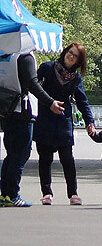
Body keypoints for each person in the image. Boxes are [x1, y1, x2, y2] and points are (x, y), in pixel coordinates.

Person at [33, 42, 96, 205]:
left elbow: (82, 100)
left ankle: (73, 194)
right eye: (69, 52)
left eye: (75, 56)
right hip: (45, 118)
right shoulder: (47, 68)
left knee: (67, 158)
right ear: (64, 52)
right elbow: (34, 89)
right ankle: (46, 193)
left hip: (63, 120)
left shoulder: (75, 78)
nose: (71, 56)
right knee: (45, 158)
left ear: (78, 61)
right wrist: (49, 104)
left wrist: (90, 121)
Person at [0, 48, 59, 207]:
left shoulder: (5, 55)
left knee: (11, 154)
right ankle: (12, 194)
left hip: (7, 109)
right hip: (23, 110)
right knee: (20, 154)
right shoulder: (25, 56)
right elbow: (32, 83)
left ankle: (5, 193)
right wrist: (50, 101)